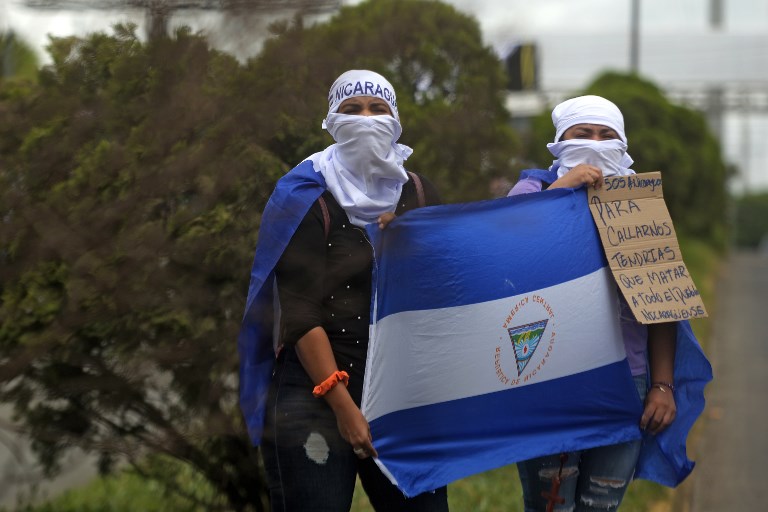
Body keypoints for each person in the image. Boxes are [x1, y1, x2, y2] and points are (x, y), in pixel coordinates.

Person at [237, 69, 449, 512]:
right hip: (315, 395)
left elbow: (449, 282)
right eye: (352, 110)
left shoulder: (420, 193)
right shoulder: (302, 195)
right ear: (332, 120)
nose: (367, 119)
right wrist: (344, 407)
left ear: (396, 120)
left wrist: (413, 243)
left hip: (402, 396)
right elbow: (299, 314)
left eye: (378, 109)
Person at [508, 95, 678, 511]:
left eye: (607, 136)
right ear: (559, 142)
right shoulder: (531, 191)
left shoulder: (639, 204)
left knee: (602, 506)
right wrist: (561, 193)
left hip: (626, 380)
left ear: (623, 145)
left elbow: (663, 300)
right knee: (551, 506)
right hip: (546, 379)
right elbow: (505, 258)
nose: (596, 144)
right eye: (582, 134)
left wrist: (662, 385)